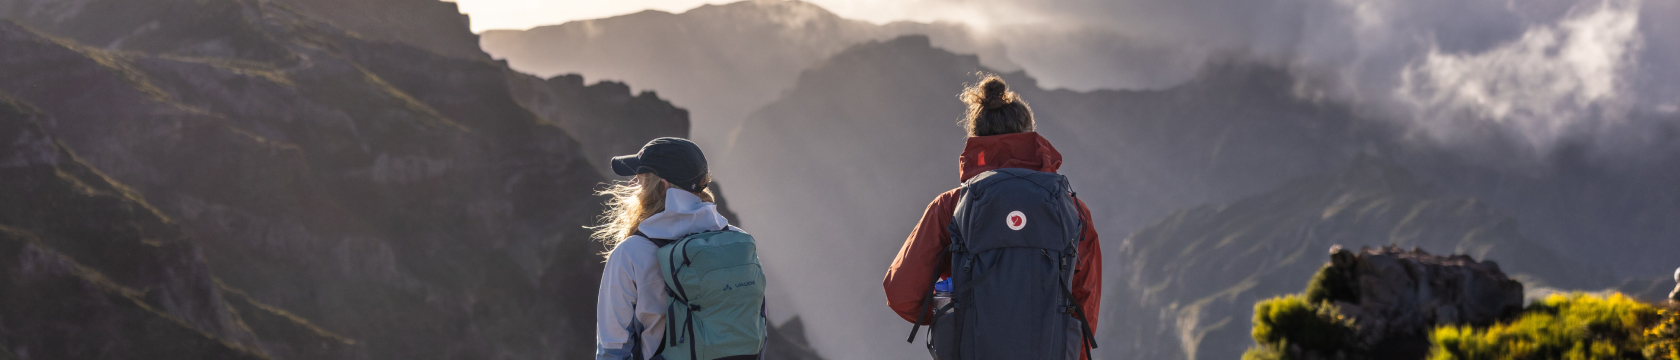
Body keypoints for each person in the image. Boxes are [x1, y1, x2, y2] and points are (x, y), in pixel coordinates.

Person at [883, 75, 1102, 360]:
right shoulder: (1072, 209)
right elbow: (1085, 300)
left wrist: (954, 314)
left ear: (976, 140)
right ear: (1031, 135)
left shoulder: (951, 207)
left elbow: (901, 293)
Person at [594, 137, 746, 360]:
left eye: (640, 179)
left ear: (662, 188)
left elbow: (613, 351)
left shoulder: (631, 254)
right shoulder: (738, 241)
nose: (633, 185)